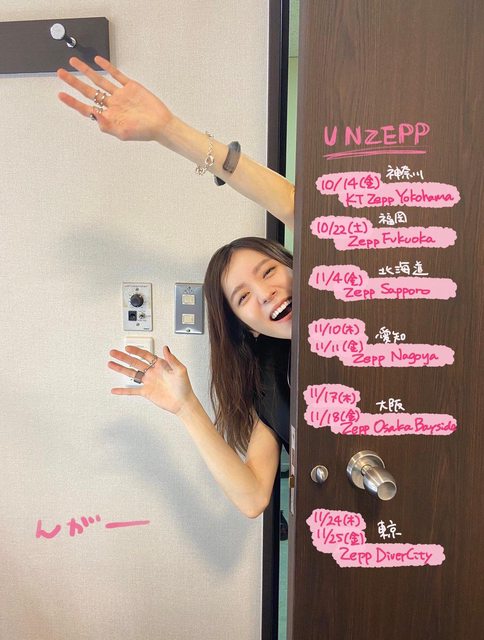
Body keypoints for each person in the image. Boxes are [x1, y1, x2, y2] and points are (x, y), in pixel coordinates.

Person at [57, 56, 295, 519]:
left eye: (268, 272)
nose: (264, 293)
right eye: (243, 297)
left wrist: (170, 131)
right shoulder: (271, 379)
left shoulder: (353, 291)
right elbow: (252, 497)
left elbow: (295, 205)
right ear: (246, 327)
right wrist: (186, 406)